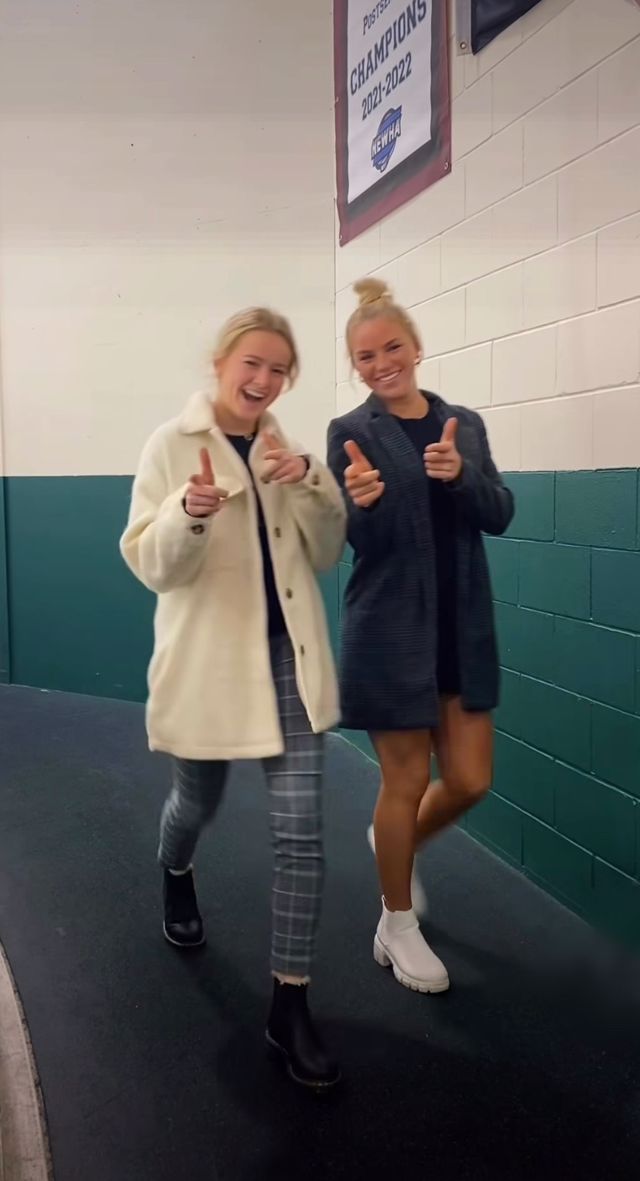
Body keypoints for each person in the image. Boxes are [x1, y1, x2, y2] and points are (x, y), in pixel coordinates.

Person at [120, 307, 346, 1089]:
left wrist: (312, 480)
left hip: (289, 662)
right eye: (252, 362)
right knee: (197, 801)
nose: (264, 379)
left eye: (279, 368)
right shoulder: (169, 445)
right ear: (220, 363)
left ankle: (290, 1004)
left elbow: (325, 551)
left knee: (301, 832)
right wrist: (186, 514)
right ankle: (174, 866)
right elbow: (151, 566)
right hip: (211, 666)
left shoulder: (287, 452)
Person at [327, 278, 514, 996]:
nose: (382, 364)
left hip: (460, 629)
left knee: (470, 780)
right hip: (388, 629)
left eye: (392, 348)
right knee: (403, 781)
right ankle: (396, 923)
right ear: (355, 365)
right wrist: (364, 505)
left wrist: (462, 476)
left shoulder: (463, 423)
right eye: (366, 356)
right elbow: (358, 540)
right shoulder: (351, 431)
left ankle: (392, 843)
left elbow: (499, 513)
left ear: (416, 347)